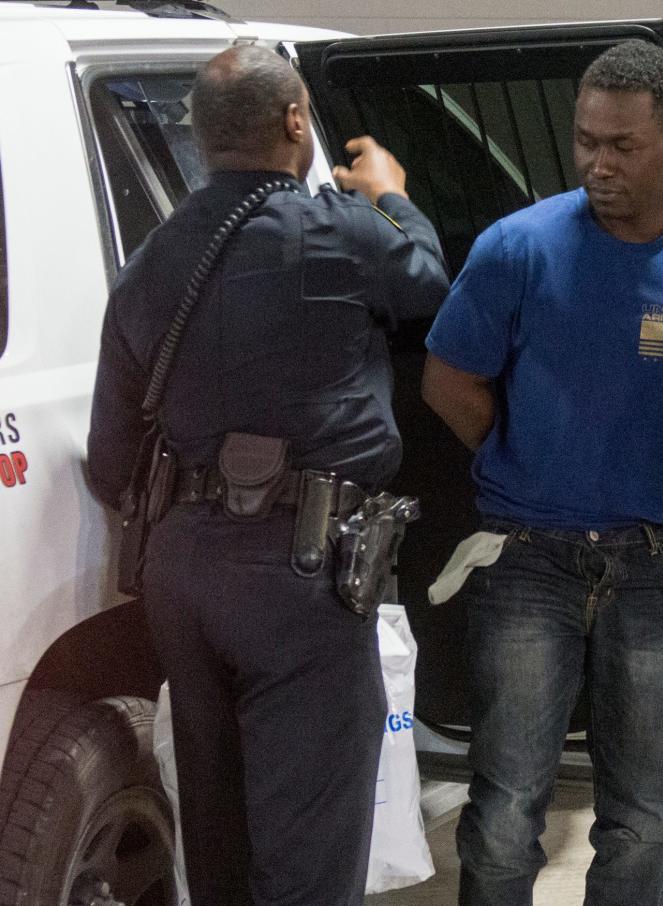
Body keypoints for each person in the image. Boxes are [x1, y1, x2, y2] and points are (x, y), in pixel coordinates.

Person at [421, 39, 663, 906]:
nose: (597, 163)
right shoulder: (518, 250)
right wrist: (526, 459)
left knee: (642, 814)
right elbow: (447, 379)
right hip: (526, 562)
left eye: (622, 146)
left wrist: (660, 473)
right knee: (507, 807)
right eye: (586, 140)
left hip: (654, 570)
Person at [87, 46, 448, 906]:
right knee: (310, 845)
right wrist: (391, 190)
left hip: (181, 578)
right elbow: (429, 282)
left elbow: (110, 460)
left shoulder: (151, 259)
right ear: (296, 123)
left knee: (217, 833)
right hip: (302, 574)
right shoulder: (341, 231)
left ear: (202, 138)